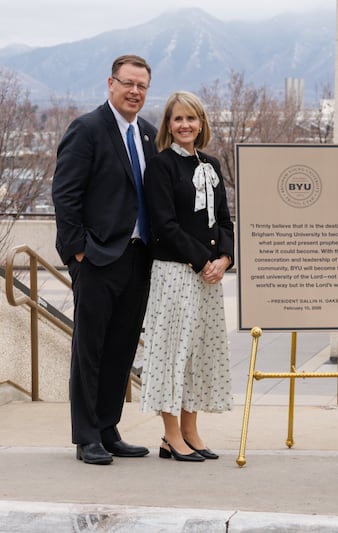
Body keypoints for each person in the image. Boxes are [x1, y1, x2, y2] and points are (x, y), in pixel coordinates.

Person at [52, 54, 156, 465]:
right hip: (97, 258)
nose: (134, 92)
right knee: (90, 350)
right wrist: (78, 251)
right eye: (128, 83)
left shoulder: (148, 134)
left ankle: (109, 427)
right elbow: (65, 194)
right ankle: (87, 436)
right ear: (110, 84)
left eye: (142, 86)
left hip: (137, 259)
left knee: (122, 348)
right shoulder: (88, 129)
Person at [139, 91, 234, 462]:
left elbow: (224, 219)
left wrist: (224, 257)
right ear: (167, 125)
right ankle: (170, 435)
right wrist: (202, 260)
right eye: (177, 119)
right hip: (176, 273)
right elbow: (164, 225)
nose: (185, 125)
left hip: (208, 276)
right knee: (172, 354)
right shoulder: (161, 166)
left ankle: (191, 430)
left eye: (191, 118)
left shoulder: (210, 165)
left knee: (197, 354)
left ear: (201, 124)